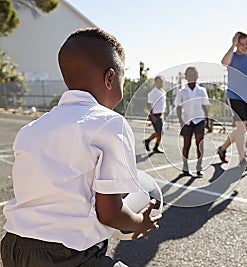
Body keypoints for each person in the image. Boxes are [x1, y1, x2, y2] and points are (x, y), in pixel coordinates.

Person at [1, 28, 161, 266]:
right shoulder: (109, 122)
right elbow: (110, 214)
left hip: (14, 248)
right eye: (121, 81)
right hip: (64, 254)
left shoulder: (31, 129)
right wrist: (140, 222)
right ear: (109, 78)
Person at [217, 31, 247, 170]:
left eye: (246, 44)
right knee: (242, 127)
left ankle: (223, 148)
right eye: (241, 44)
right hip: (234, 96)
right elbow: (224, 62)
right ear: (237, 43)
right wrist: (232, 46)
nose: (244, 47)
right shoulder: (232, 57)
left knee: (243, 129)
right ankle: (242, 160)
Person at [174, 67, 210, 177]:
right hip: (187, 121)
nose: (191, 77)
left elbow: (205, 106)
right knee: (187, 144)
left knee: (200, 144)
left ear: (197, 76)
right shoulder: (182, 91)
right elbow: (178, 107)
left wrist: (207, 121)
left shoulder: (201, 90)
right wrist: (181, 121)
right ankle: (185, 166)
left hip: (199, 120)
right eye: (189, 75)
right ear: (186, 76)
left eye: (194, 75)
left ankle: (199, 167)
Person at [144, 76, 166, 153]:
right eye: (158, 82)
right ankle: (147, 141)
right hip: (155, 115)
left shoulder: (163, 91)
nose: (160, 83)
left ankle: (155, 147)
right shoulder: (153, 93)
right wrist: (152, 116)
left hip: (161, 114)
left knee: (161, 132)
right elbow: (149, 105)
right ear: (155, 82)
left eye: (161, 82)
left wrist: (164, 114)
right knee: (158, 132)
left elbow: (163, 104)